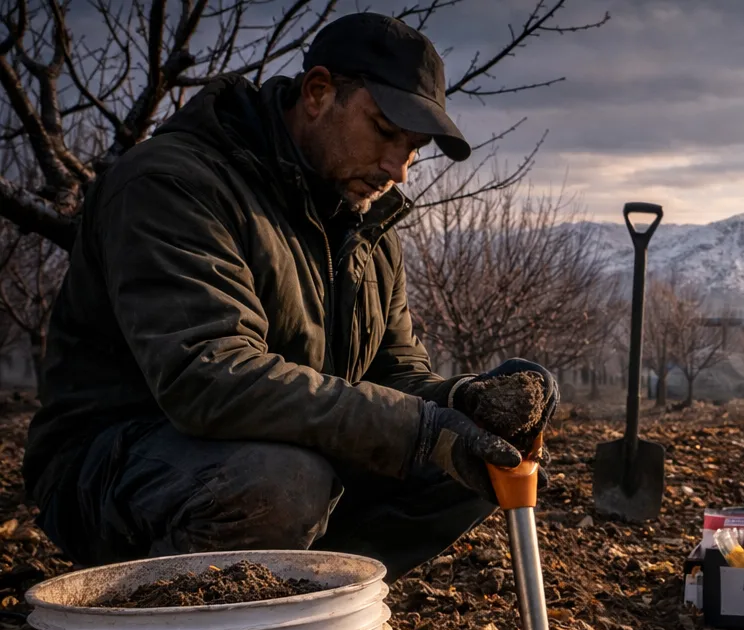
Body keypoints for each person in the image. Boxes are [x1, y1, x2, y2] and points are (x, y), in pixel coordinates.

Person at [23, 12, 556, 581]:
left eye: (413, 148)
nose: (398, 170)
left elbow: (394, 373)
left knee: (474, 465)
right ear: (318, 92)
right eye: (384, 131)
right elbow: (208, 379)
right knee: (282, 484)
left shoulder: (367, 225)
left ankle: (308, 590)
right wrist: (422, 431)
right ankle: (173, 615)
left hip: (283, 448)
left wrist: (462, 402)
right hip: (118, 460)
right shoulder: (174, 183)